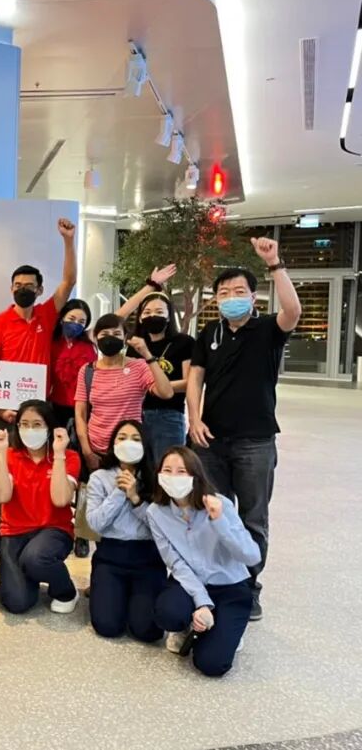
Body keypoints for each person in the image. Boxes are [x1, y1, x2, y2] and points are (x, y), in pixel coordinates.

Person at [187, 237, 301, 621]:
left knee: (253, 518)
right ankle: (219, 580)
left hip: (255, 441)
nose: (231, 297)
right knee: (214, 512)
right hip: (211, 441)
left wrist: (274, 263)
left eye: (239, 291)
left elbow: (293, 310)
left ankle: (249, 588)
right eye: (224, 292)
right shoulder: (210, 333)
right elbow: (195, 378)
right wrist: (194, 418)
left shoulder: (268, 329)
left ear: (253, 297)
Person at [149, 447, 260, 677]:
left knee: (211, 664)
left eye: (181, 471)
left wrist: (219, 521)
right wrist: (202, 604)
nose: (173, 476)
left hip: (229, 586)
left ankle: (226, 629)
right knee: (168, 613)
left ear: (195, 475)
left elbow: (251, 556)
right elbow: (175, 563)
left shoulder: (220, 504)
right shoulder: (156, 512)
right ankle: (189, 623)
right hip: (189, 583)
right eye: (167, 470)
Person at [0, 217, 78, 425]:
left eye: (28, 286)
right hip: (6, 408)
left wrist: (68, 241)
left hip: (40, 405)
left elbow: (69, 281)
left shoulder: (47, 314)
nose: (22, 289)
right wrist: (0, 410)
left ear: (39, 290)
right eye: (17, 285)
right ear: (11, 289)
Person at [0, 400, 81, 614]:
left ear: (49, 427)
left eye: (37, 424)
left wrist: (59, 454)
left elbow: (61, 499)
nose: (30, 430)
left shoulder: (69, 457)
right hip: (14, 531)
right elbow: (2, 496)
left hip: (53, 530)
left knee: (35, 559)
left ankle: (66, 591)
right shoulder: (10, 455)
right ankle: (30, 573)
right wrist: (0, 453)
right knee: (17, 603)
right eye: (24, 424)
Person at [85, 419, 165, 643]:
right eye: (122, 438)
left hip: (148, 558)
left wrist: (136, 499)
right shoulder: (99, 477)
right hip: (111, 556)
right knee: (107, 626)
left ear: (145, 445)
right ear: (113, 444)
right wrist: (120, 492)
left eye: (135, 439)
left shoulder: (157, 479)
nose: (128, 443)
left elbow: (162, 528)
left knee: (148, 632)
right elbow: (95, 523)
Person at [74, 314, 173, 471]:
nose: (110, 338)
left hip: (130, 451)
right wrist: (87, 451)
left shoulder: (139, 367)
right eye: (105, 334)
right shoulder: (87, 371)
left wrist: (148, 356)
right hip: (97, 451)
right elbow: (80, 413)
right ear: (96, 337)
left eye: (116, 334)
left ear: (125, 337)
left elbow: (166, 393)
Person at [116, 265, 190, 463]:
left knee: (166, 468)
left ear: (169, 315)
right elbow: (114, 320)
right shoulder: (134, 345)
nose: (152, 315)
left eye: (159, 311)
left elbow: (189, 382)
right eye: (147, 312)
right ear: (140, 317)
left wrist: (154, 387)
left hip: (169, 416)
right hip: (136, 415)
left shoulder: (184, 342)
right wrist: (150, 285)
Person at [47, 298, 96, 434]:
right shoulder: (51, 342)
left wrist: (148, 288)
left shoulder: (89, 340)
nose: (76, 324)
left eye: (81, 322)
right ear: (62, 318)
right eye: (72, 318)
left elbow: (116, 318)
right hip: (56, 406)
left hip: (85, 407)